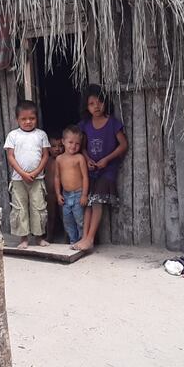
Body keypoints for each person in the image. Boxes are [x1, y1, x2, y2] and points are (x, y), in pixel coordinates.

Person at [73, 85, 128, 251]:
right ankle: (85, 238)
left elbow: (123, 145)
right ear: (86, 107)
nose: (96, 106)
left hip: (107, 170)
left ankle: (89, 238)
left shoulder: (112, 123)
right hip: (91, 170)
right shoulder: (85, 125)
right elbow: (81, 147)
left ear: (106, 103)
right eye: (91, 103)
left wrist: (107, 159)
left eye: (99, 102)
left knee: (96, 201)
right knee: (89, 202)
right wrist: (88, 159)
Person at [4, 100, 51, 249]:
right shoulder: (13, 135)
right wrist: (23, 173)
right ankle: (23, 239)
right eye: (23, 119)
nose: (28, 122)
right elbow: (10, 156)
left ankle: (39, 237)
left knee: (38, 207)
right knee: (20, 208)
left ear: (37, 118)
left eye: (31, 118)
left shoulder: (41, 135)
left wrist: (36, 172)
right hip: (18, 180)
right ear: (17, 119)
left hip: (37, 179)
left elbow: (45, 155)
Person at [54, 125, 89, 245]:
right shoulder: (59, 159)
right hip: (66, 195)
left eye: (77, 144)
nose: (73, 146)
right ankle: (73, 240)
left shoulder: (80, 158)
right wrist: (58, 194)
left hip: (78, 194)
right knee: (68, 220)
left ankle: (82, 240)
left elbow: (85, 177)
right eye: (70, 142)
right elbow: (57, 177)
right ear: (63, 142)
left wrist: (84, 195)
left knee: (80, 219)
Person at [44, 135, 64, 242]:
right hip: (50, 194)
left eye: (60, 146)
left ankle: (68, 238)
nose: (57, 149)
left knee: (64, 216)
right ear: (48, 147)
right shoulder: (46, 160)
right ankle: (49, 236)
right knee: (50, 215)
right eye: (53, 146)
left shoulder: (64, 159)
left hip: (63, 193)